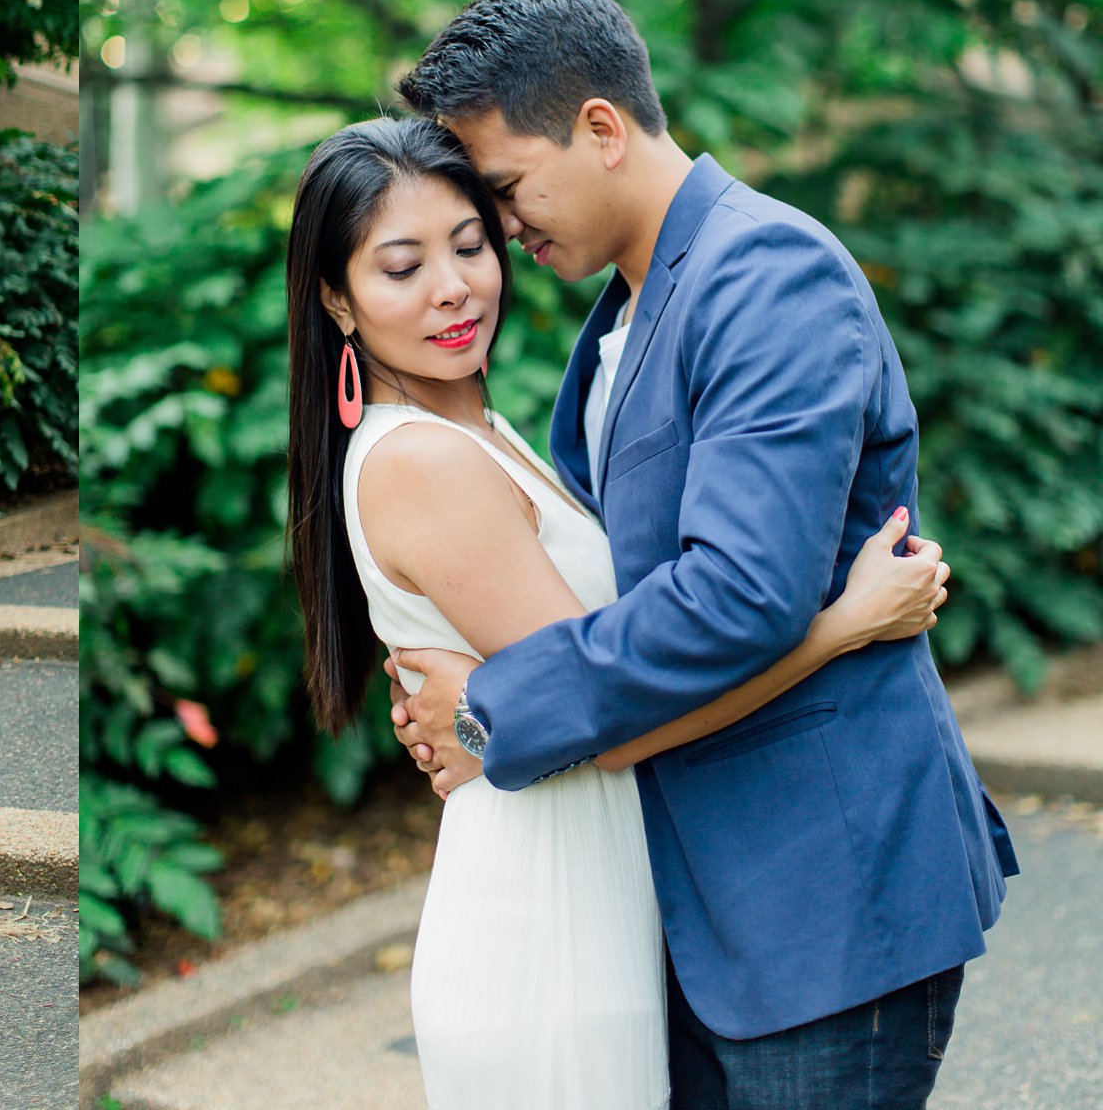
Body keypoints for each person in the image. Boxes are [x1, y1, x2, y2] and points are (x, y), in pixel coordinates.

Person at [382, 0, 1018, 1108]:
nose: (499, 225)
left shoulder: (765, 273)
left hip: (822, 902)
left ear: (599, 126)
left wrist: (496, 708)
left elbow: (735, 594)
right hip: (692, 908)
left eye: (508, 187)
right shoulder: (620, 314)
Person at [287, 114, 955, 1108]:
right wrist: (844, 621)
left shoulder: (483, 431)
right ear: (336, 299)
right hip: (543, 924)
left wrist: (493, 713)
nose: (451, 286)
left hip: (597, 896)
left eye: (471, 244)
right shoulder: (422, 460)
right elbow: (609, 714)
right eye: (399, 266)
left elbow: (581, 680)